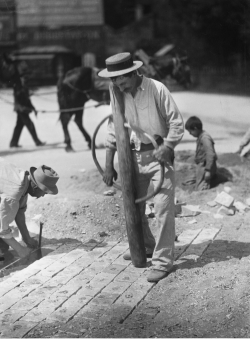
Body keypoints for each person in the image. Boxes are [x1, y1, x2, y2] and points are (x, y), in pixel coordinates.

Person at [98, 52, 184, 283]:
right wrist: (109, 164)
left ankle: (163, 262)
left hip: (159, 158)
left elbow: (176, 122)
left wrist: (168, 145)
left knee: (163, 209)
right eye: (113, 79)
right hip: (132, 158)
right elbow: (112, 127)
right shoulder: (117, 93)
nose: (117, 83)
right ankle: (145, 246)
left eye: (121, 78)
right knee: (133, 207)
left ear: (134, 73)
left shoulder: (157, 89)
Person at [0, 158, 59, 262]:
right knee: (3, 248)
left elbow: (19, 212)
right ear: (35, 187)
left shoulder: (24, 181)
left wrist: (27, 238)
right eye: (44, 192)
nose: (43, 195)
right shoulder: (13, 194)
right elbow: (2, 230)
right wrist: (20, 250)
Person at [9, 74, 45, 148]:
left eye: (26, 79)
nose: (25, 80)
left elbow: (28, 100)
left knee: (19, 126)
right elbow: (18, 97)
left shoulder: (25, 87)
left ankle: (13, 143)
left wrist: (33, 108)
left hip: (23, 109)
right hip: (21, 109)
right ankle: (37, 142)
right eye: (24, 79)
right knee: (30, 124)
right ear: (21, 79)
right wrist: (26, 93)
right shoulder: (18, 87)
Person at [184, 116, 217, 190]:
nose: (189, 134)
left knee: (200, 188)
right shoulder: (200, 136)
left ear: (195, 128)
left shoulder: (205, 138)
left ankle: (213, 179)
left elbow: (210, 154)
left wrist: (208, 171)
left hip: (205, 166)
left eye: (190, 131)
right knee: (190, 180)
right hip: (201, 165)